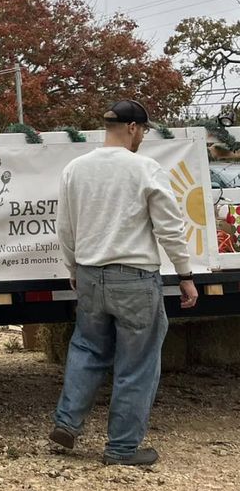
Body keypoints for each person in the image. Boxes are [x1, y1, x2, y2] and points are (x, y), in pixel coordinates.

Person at [49, 99, 199, 466]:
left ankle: (68, 423)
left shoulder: (75, 169)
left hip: (88, 273)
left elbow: (65, 226)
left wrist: (72, 267)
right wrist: (185, 274)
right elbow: (169, 227)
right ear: (133, 128)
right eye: (144, 131)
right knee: (138, 363)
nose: (144, 137)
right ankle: (122, 448)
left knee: (86, 349)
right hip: (134, 277)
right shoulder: (146, 169)